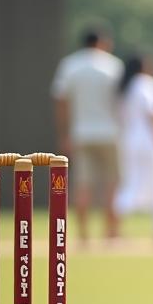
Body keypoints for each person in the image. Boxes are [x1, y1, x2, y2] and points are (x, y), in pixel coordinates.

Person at [51, 27, 123, 241]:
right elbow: (121, 101)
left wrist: (64, 133)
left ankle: (83, 234)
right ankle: (111, 232)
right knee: (112, 182)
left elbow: (61, 101)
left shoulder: (70, 65)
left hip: (81, 132)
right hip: (110, 132)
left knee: (83, 183)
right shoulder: (113, 65)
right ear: (102, 42)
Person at [115, 52, 153, 243]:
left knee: (131, 183)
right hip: (150, 141)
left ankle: (114, 225)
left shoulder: (125, 87)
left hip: (128, 141)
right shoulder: (148, 83)